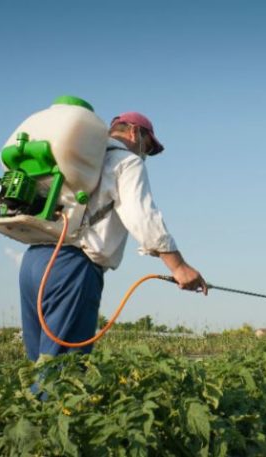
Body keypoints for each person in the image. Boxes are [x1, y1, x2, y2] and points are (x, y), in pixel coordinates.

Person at [19, 111, 207, 361]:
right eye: (147, 147)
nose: (144, 155)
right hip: (72, 266)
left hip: (34, 261)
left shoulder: (77, 158)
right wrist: (179, 266)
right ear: (134, 132)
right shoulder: (126, 161)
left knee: (39, 363)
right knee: (63, 374)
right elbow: (142, 216)